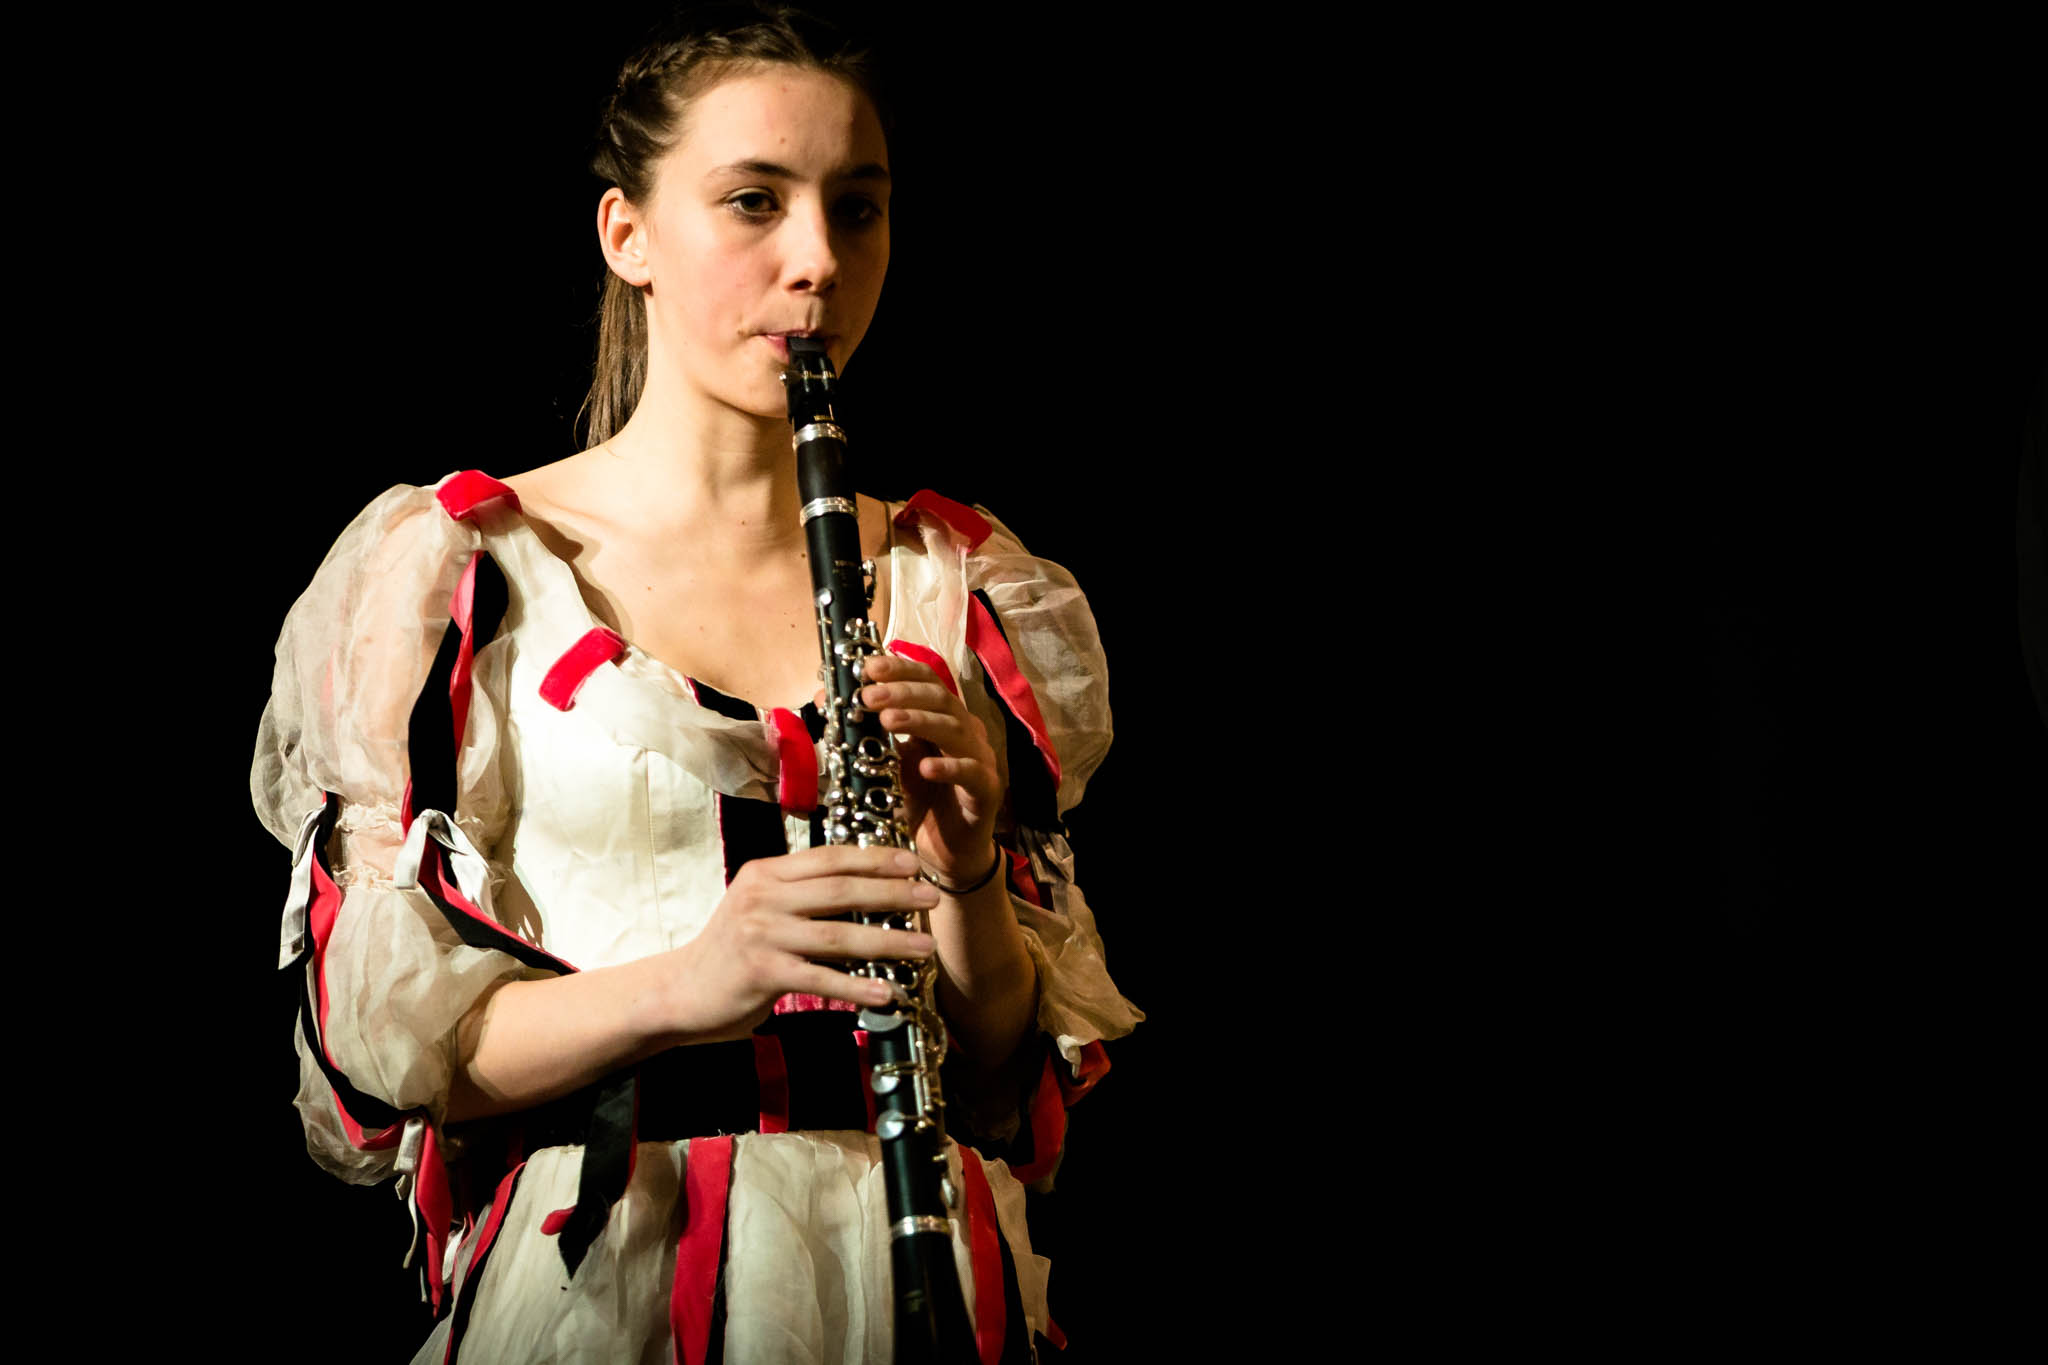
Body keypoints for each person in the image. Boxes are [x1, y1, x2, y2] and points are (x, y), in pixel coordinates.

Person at [250, 6, 1140, 1362]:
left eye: (860, 207)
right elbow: (385, 1044)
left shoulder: (959, 581)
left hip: (930, 1287)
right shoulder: (462, 570)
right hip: (612, 1286)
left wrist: (964, 882)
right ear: (628, 237)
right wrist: (692, 980)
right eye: (753, 203)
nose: (819, 262)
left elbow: (1011, 1081)